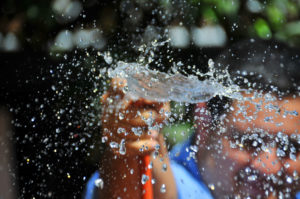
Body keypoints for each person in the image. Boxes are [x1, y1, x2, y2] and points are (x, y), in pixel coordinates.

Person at [84, 39, 300, 199]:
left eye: (292, 147)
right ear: (204, 121)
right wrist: (131, 141)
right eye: (250, 142)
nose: (270, 167)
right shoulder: (172, 181)